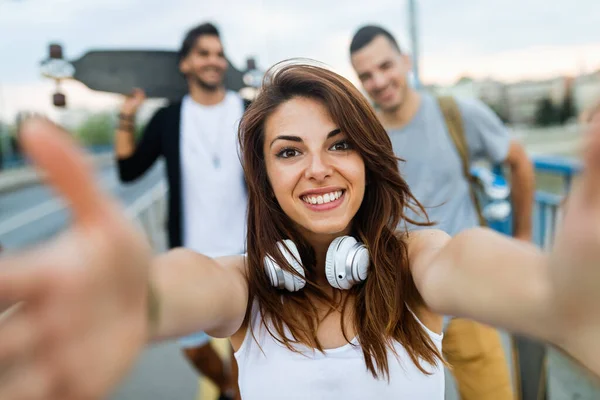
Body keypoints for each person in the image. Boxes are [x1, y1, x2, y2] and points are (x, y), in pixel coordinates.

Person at [2, 63, 600, 400]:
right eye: (290, 152)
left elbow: (469, 264)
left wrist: (553, 293)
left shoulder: (417, 262)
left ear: (368, 157)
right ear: (262, 176)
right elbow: (185, 284)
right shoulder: (241, 285)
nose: (318, 168)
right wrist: (131, 301)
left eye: (339, 144)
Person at [349, 25, 536, 399]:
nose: (379, 81)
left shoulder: (457, 113)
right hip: (399, 307)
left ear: (406, 61)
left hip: (466, 299)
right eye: (366, 75)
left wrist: (524, 237)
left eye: (386, 66)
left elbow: (518, 161)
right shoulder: (363, 137)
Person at [115, 22, 246, 400]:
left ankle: (237, 390)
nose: (214, 61)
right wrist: (126, 116)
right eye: (203, 53)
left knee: (246, 346)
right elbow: (128, 170)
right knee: (191, 345)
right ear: (185, 64)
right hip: (190, 256)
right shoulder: (169, 118)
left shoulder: (250, 111)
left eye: (219, 54)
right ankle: (230, 389)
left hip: (247, 253)